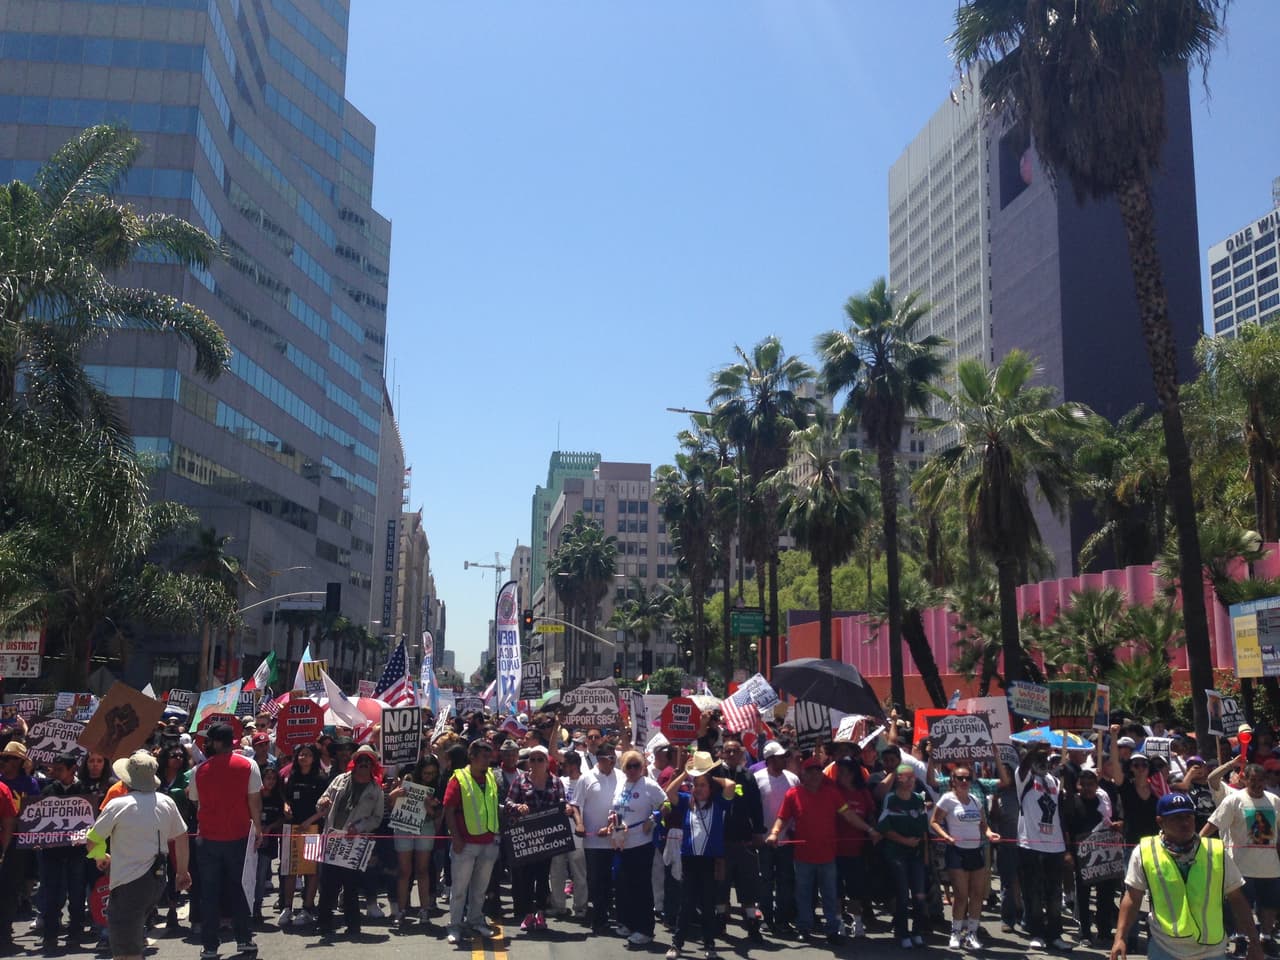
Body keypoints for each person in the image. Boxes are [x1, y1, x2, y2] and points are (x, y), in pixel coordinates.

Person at [1113, 792, 1262, 960]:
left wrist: (1255, 942)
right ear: (1160, 821)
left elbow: (1237, 898)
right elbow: (1132, 898)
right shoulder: (1145, 851)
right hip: (1165, 948)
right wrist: (1120, 938)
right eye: (1176, 818)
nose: (1184, 823)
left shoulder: (1216, 851)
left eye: (1188, 816)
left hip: (1211, 951)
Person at [86, 751, 190, 960]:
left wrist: (100, 856)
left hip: (128, 882)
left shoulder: (118, 804)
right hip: (157, 879)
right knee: (132, 937)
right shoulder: (166, 801)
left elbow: (92, 839)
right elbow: (181, 836)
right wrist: (181, 872)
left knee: (125, 949)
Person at [767, 755, 877, 944]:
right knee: (803, 894)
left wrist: (869, 829)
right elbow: (782, 818)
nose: (815, 775)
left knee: (830, 895)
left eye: (818, 771)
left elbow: (849, 815)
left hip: (828, 855)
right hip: (803, 856)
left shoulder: (832, 794)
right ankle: (804, 927)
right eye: (811, 772)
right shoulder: (793, 794)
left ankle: (832, 931)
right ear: (804, 774)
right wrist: (775, 833)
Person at [188, 722, 261, 959]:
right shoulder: (249, 765)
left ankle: (210, 945)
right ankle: (244, 939)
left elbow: (195, 799)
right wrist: (258, 828)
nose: (207, 744)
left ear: (218, 742)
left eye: (209, 740)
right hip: (238, 836)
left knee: (209, 893)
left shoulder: (200, 770)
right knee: (240, 889)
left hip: (208, 838)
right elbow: (253, 801)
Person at [663, 752, 737, 960]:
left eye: (703, 785)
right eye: (696, 785)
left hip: (709, 860)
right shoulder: (687, 800)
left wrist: (709, 775)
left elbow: (730, 785)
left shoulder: (719, 803)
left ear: (710, 787)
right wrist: (686, 774)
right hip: (689, 859)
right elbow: (670, 791)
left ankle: (709, 945)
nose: (699, 789)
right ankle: (676, 945)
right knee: (685, 904)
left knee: (707, 905)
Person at [1203, 763, 1280, 952]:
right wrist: (1196, 842)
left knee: (1269, 906)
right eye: (1253, 780)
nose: (1257, 784)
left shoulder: (1274, 800)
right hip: (1241, 867)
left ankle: (1266, 937)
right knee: (1241, 907)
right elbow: (1213, 823)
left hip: (1270, 867)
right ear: (1244, 779)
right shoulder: (1234, 800)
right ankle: (1241, 939)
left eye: (1260, 780)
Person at [315, 744, 386, 939]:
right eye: (361, 760)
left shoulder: (375, 789)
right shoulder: (339, 779)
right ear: (355, 762)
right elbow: (323, 799)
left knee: (351, 886)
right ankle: (324, 923)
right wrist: (322, 803)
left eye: (367, 762)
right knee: (328, 885)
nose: (363, 764)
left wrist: (360, 828)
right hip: (332, 838)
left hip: (353, 842)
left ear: (372, 766)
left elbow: (377, 818)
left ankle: (353, 925)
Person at [930, 763, 1000, 950]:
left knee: (977, 895)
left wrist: (990, 833)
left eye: (967, 778)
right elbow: (934, 821)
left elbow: (983, 824)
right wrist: (946, 836)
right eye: (959, 778)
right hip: (957, 851)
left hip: (975, 850)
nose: (963, 781)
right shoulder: (947, 799)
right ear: (952, 780)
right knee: (961, 895)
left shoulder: (975, 800)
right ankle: (955, 933)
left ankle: (972, 933)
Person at [504, 744, 568, 933]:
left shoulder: (556, 782)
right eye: (532, 759)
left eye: (540, 759)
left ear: (547, 762)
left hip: (547, 838)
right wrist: (517, 807)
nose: (536, 762)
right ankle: (527, 914)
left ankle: (540, 913)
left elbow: (562, 804)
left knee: (542, 878)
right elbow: (508, 802)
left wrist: (567, 809)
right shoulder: (520, 780)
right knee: (525, 878)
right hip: (526, 837)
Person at [442, 739, 501, 944]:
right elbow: (448, 810)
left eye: (489, 756)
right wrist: (456, 838)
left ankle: (475, 920)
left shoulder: (491, 777)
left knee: (480, 888)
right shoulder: (459, 778)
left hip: (488, 841)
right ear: (472, 757)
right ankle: (455, 925)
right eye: (483, 756)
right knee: (459, 889)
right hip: (465, 844)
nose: (487, 760)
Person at [608, 749, 667, 946]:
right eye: (628, 766)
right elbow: (616, 808)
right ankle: (629, 923)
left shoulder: (649, 785)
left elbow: (667, 804)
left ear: (642, 767)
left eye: (636, 766)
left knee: (641, 887)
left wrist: (653, 819)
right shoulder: (621, 784)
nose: (632, 770)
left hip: (641, 843)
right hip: (621, 842)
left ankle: (645, 929)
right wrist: (611, 821)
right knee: (625, 886)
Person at [1016, 742, 1071, 951]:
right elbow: (1023, 766)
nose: (1042, 760)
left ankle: (1055, 934)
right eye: (1038, 757)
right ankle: (1036, 932)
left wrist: (1067, 777)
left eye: (1044, 757)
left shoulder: (1055, 780)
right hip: (1031, 844)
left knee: (1054, 894)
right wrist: (1034, 750)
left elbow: (1061, 812)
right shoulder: (1023, 777)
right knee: (1034, 893)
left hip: (1055, 845)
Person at [715, 738, 766, 942]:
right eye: (728, 751)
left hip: (744, 840)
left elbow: (756, 805)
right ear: (723, 754)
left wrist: (758, 831)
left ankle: (752, 925)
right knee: (721, 883)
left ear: (742, 754)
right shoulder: (716, 773)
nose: (732, 754)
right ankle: (719, 922)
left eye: (736, 751)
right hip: (720, 840)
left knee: (748, 884)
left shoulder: (747, 776)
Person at [572, 741, 620, 934]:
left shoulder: (623, 776)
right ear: (599, 759)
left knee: (612, 881)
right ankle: (599, 918)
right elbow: (575, 804)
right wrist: (580, 823)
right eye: (608, 758)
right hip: (594, 841)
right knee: (597, 879)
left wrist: (610, 826)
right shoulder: (587, 778)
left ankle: (609, 913)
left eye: (613, 758)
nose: (611, 760)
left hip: (616, 838)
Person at [388, 756, 443, 926]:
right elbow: (392, 805)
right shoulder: (408, 779)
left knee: (422, 869)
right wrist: (394, 794)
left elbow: (438, 814)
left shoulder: (438, 785)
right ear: (420, 770)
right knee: (404, 870)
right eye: (426, 773)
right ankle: (402, 909)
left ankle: (424, 909)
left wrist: (429, 808)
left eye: (433, 773)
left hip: (425, 827)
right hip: (404, 825)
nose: (429, 776)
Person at [279, 743, 326, 927]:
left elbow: (325, 808)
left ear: (314, 758)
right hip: (293, 828)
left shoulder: (321, 779)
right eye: (300, 755)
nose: (303, 758)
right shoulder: (292, 777)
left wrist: (311, 820)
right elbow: (285, 797)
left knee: (311, 871)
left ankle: (307, 908)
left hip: (313, 829)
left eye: (307, 755)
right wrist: (285, 806)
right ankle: (288, 907)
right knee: (292, 869)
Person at [755, 741, 799, 935]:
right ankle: (767, 917)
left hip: (786, 840)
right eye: (781, 757)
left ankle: (782, 918)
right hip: (764, 841)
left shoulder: (793, 779)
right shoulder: (756, 779)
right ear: (770, 759)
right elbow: (752, 809)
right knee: (765, 880)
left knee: (785, 880)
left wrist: (794, 829)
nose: (785, 759)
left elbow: (798, 808)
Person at [548, 749, 589, 921]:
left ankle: (580, 906)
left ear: (573, 765)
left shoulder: (585, 782)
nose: (561, 766)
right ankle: (558, 906)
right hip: (559, 833)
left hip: (578, 835)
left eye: (563, 764)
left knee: (578, 872)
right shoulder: (559, 781)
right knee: (557, 871)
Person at [254, 767, 286, 923]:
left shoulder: (278, 797)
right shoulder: (255, 795)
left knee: (261, 876)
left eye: (273, 778)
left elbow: (282, 818)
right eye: (268, 778)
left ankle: (257, 908)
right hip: (252, 839)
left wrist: (270, 826)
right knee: (249, 875)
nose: (270, 781)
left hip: (268, 840)